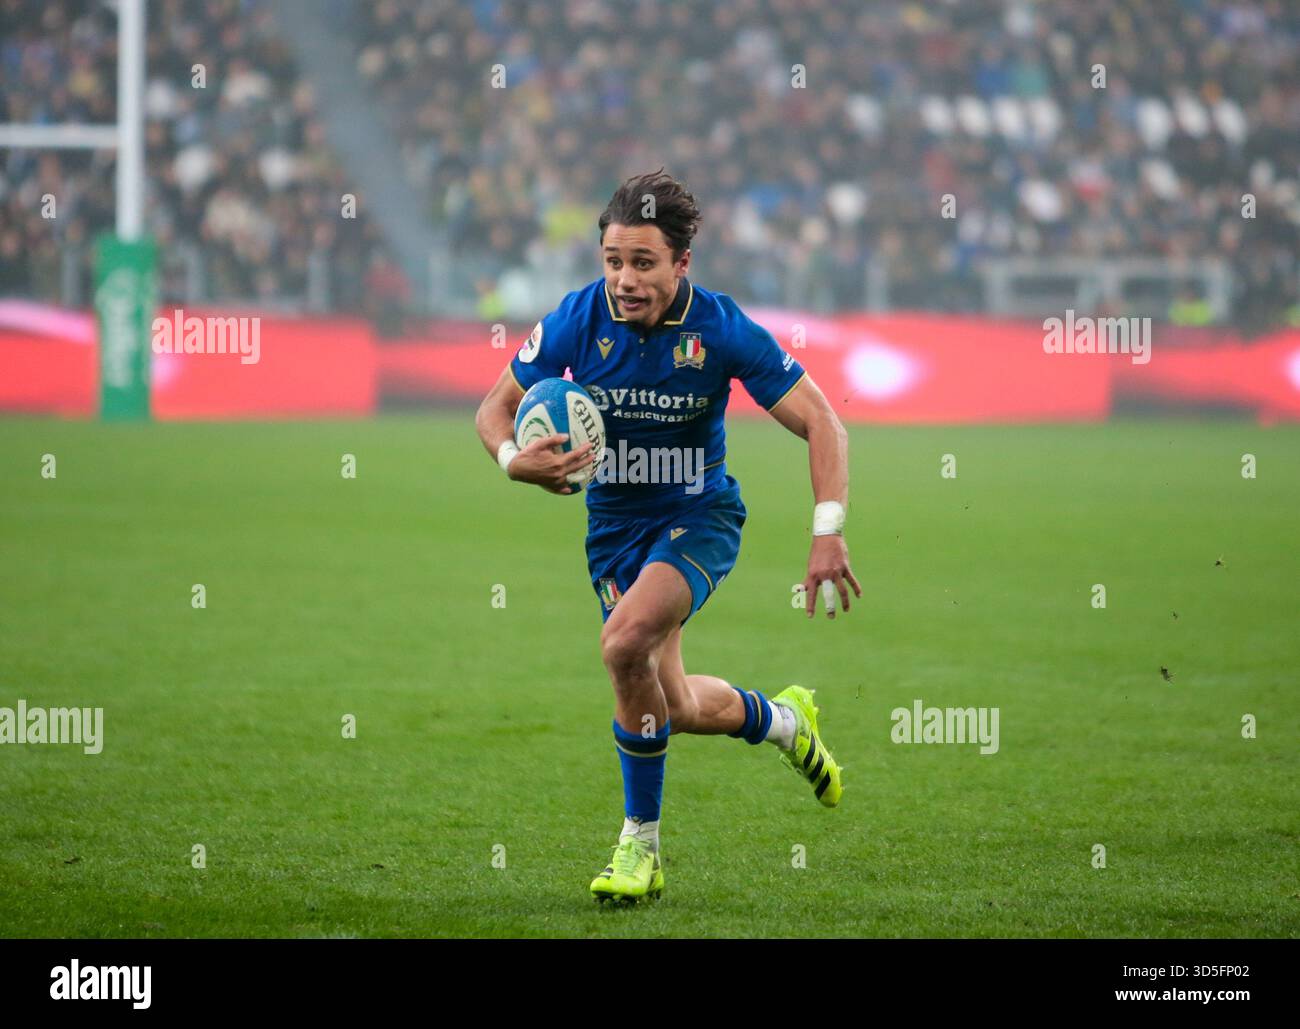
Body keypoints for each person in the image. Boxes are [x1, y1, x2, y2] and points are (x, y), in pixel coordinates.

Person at [475, 169, 861, 903]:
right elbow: (493, 408)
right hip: (615, 531)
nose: (624, 279)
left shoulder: (719, 329)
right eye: (614, 261)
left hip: (699, 517)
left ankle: (639, 849)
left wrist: (826, 530)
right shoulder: (575, 319)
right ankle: (785, 721)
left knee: (623, 645)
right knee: (671, 704)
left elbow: (822, 419)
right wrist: (512, 460)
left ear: (683, 263)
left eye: (643, 263)